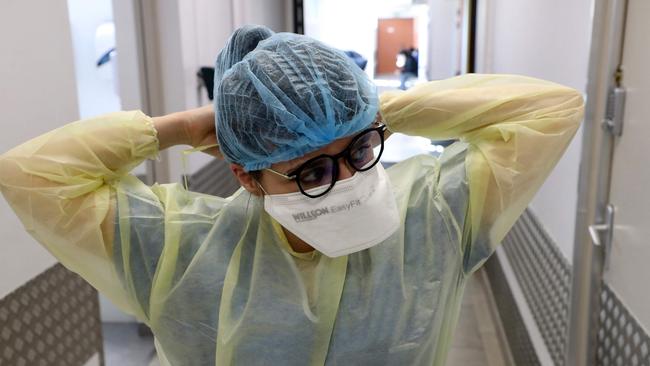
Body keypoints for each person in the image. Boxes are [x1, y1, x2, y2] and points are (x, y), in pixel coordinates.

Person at [0, 25, 584, 365]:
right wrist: (178, 126)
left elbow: (552, 109)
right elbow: (31, 175)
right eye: (311, 172)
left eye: (359, 153)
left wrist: (373, 110)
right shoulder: (178, 249)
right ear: (247, 177)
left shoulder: (433, 213)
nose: (350, 183)